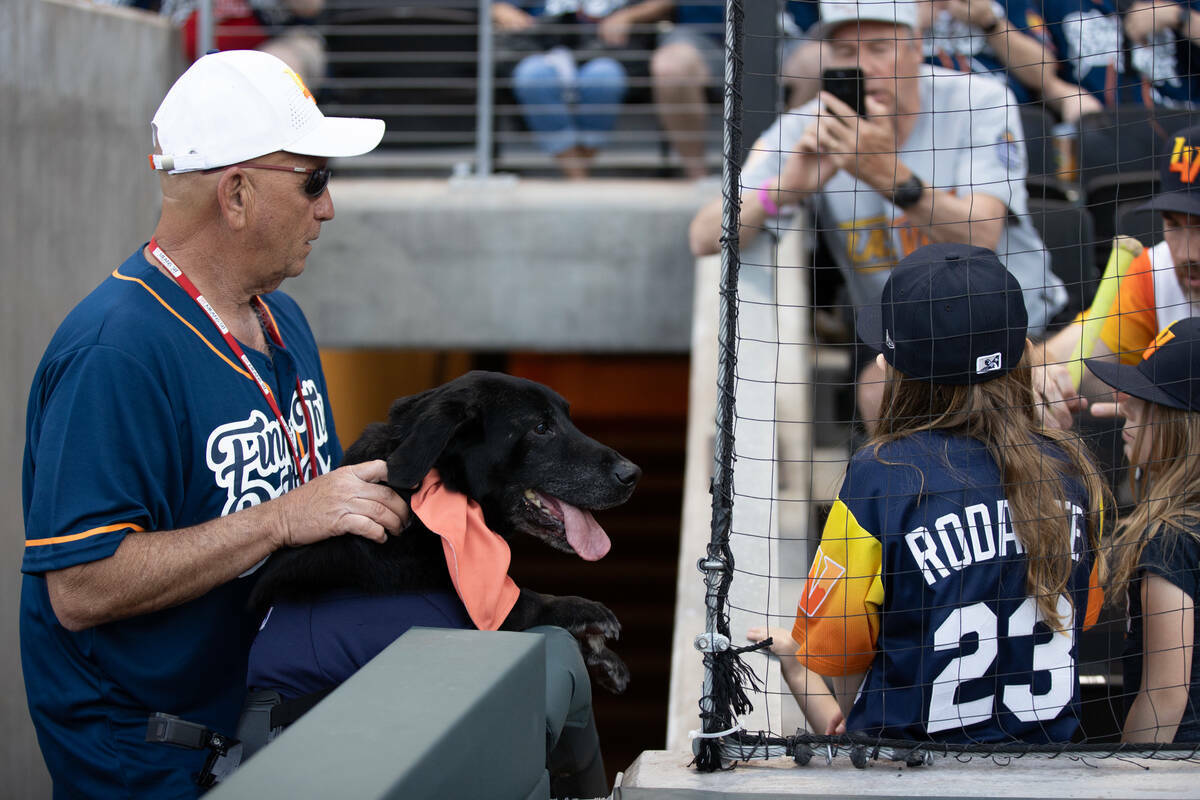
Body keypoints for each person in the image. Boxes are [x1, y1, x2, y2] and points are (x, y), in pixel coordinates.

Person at [19, 50, 410, 797]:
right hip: (156, 765)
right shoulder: (115, 351)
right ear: (236, 194)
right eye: (314, 181)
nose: (328, 207)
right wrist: (285, 518)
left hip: (268, 732)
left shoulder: (282, 318)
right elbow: (79, 585)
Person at [749, 243, 1107, 742]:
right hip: (1049, 772)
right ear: (1022, 351)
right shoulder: (1070, 469)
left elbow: (840, 664)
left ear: (895, 366)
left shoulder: (881, 474)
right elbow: (1083, 617)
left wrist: (793, 664)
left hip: (909, 778)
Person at [689, 0, 1065, 426]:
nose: (864, 66)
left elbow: (981, 235)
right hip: (905, 343)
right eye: (847, 54)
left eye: (880, 48)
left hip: (1019, 329)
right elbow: (704, 235)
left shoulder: (977, 100)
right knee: (875, 394)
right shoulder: (811, 126)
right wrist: (786, 188)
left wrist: (885, 173)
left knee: (1038, 419)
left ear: (915, 48)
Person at [1035, 124, 1200, 429]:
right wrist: (1042, 375)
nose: (1188, 252)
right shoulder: (1153, 271)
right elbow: (1063, 359)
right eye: (1174, 223)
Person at [1086, 317, 1200, 743]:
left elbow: (1164, 697)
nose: (1125, 425)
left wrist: (1126, 780)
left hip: (1179, 772)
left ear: (1178, 426)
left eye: (1139, 411)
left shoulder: (1172, 540)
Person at [493, 0, 674, 179]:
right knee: (533, 76)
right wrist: (500, 9)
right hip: (538, 49)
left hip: (605, 49)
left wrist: (629, 15)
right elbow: (492, 6)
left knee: (604, 77)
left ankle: (576, 177)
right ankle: (579, 178)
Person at [651, 1, 821, 179]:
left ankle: (786, 176)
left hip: (788, 37)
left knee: (818, 59)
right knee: (671, 66)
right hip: (705, 36)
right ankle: (697, 179)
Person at [919, 0, 1100, 120]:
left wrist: (990, 22)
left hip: (1005, 112)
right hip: (928, 112)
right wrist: (914, 23)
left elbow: (1042, 74)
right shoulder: (901, 7)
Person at [1036, 0, 1200, 110]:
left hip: (1181, 125)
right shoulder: (1055, 4)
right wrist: (1064, 96)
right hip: (1099, 131)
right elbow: (1037, 79)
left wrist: (1180, 17)